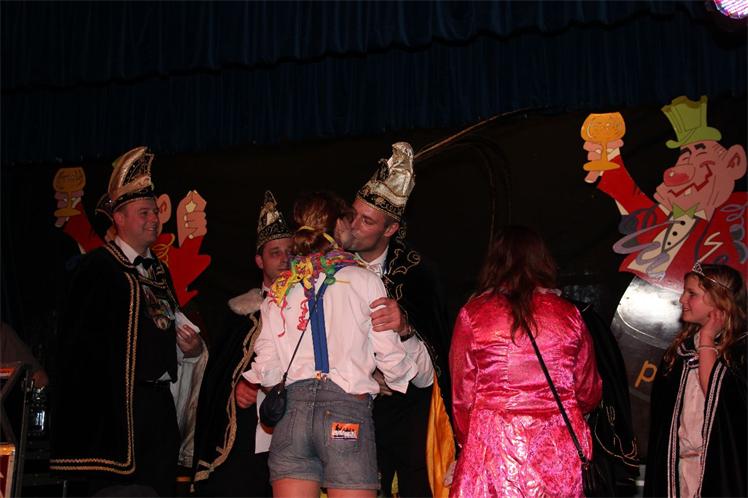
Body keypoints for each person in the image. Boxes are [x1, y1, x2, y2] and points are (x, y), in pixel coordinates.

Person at [245, 191, 424, 498]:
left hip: (291, 419)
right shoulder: (364, 280)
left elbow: (267, 368)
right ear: (339, 225)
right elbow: (391, 358)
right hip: (345, 416)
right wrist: (405, 375)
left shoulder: (280, 288)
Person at [50, 146, 203, 497]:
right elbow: (76, 351)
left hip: (158, 410)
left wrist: (191, 348)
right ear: (119, 218)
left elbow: (167, 326)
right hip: (117, 415)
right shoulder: (98, 269)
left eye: (155, 211)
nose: (154, 219)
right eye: (143, 212)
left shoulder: (159, 271)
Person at [449, 226, 602, 497]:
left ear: (494, 263)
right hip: (558, 445)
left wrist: (466, 443)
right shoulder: (569, 315)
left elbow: (462, 396)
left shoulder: (473, 315)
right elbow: (588, 391)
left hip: (494, 444)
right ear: (543, 261)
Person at [349, 142, 453, 497]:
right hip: (348, 409)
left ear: (390, 229)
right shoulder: (330, 268)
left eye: (367, 221)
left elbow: (435, 361)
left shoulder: (417, 274)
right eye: (352, 215)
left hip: (406, 411)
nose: (353, 227)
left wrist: (407, 327)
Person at [192, 190, 291, 496]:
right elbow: (219, 375)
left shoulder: (313, 308)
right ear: (259, 260)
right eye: (275, 252)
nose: (285, 259)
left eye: (290, 251)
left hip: (299, 429)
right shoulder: (241, 313)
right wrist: (237, 387)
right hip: (251, 431)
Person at [644, 263, 747, 497]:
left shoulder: (740, 352)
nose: (682, 299)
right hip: (680, 469)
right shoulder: (680, 352)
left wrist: (708, 339)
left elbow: (718, 400)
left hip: (718, 470)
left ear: (720, 300)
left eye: (692, 293)